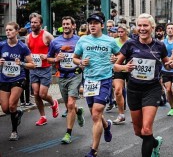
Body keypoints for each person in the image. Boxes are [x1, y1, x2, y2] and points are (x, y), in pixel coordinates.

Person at [114, 13, 173, 157]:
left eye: (145, 25)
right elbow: (116, 66)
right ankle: (155, 143)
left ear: (152, 27)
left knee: (146, 129)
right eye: (139, 25)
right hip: (134, 90)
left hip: (151, 89)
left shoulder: (159, 46)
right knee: (138, 131)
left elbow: (167, 63)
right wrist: (124, 68)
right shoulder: (130, 44)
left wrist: (170, 64)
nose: (142, 28)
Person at [73, 12, 120, 157]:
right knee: (95, 114)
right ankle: (107, 126)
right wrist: (80, 62)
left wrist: (115, 58)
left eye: (95, 23)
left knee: (96, 114)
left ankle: (93, 150)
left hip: (105, 79)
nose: (92, 25)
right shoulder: (83, 40)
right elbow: (75, 58)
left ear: (102, 25)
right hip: (89, 80)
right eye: (90, 23)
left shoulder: (110, 41)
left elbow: (119, 55)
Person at [47, 16, 85, 144]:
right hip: (62, 76)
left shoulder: (80, 41)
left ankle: (68, 133)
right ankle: (78, 111)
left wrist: (82, 65)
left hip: (75, 75)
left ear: (73, 26)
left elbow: (84, 58)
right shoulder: (55, 42)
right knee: (70, 105)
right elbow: (48, 59)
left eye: (68, 24)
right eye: (64, 24)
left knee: (70, 104)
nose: (66, 26)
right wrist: (56, 59)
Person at [0, 22, 35, 140]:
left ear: (16, 31)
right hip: (4, 78)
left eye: (10, 30)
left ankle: (14, 131)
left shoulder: (22, 47)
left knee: (11, 105)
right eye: (6, 30)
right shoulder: (1, 45)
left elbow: (32, 65)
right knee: (5, 109)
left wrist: (22, 63)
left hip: (18, 78)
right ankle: (18, 113)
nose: (8, 32)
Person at [25, 13, 59, 125]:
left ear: (40, 23)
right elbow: (27, 52)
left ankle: (54, 103)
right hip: (34, 69)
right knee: (36, 93)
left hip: (45, 68)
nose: (33, 24)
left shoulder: (47, 35)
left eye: (35, 22)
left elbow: (56, 48)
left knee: (43, 94)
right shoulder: (28, 37)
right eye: (32, 22)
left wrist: (48, 56)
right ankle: (43, 116)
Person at [112, 24, 130, 125]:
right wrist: (113, 58)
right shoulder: (114, 41)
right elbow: (111, 53)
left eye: (122, 32)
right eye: (118, 32)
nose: (120, 34)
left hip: (129, 69)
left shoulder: (131, 42)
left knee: (132, 93)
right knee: (118, 91)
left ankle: (135, 113)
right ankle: (121, 114)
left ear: (126, 32)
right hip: (118, 68)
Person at [161, 23, 173, 116]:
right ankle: (172, 107)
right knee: (168, 90)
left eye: (172, 28)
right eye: (168, 28)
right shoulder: (163, 42)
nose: (170, 30)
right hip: (165, 69)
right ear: (166, 30)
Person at [18, 28, 34, 107]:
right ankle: (27, 101)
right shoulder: (28, 40)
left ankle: (21, 101)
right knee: (27, 83)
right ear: (27, 33)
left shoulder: (17, 41)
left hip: (19, 63)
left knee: (20, 82)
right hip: (27, 63)